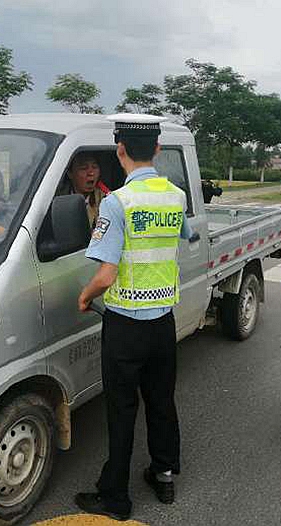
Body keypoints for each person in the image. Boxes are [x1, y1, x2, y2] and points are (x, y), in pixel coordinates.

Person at [74, 114, 194, 521]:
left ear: (119, 151)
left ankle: (116, 498)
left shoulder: (116, 202)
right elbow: (183, 235)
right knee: (161, 401)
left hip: (125, 326)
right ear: (158, 150)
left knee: (122, 409)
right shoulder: (175, 196)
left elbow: (105, 274)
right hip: (163, 323)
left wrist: (86, 295)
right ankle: (163, 475)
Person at [62, 151, 107, 227]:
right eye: (84, 168)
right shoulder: (58, 200)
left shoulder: (106, 200)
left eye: (94, 167)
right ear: (70, 173)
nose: (91, 173)